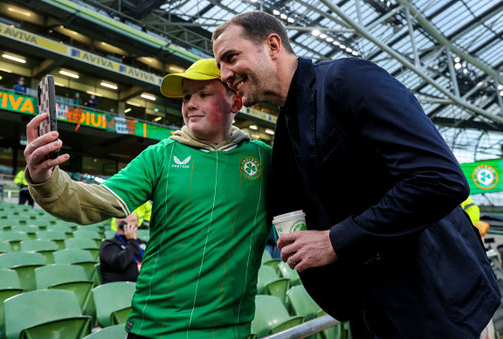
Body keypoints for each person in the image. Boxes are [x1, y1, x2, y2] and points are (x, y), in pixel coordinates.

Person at [212, 11, 501, 338]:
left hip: (432, 303)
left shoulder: (347, 80)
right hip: (373, 310)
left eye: (231, 57)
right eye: (220, 65)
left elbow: (438, 179)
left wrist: (335, 240)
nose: (224, 73)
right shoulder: (286, 127)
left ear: (273, 45)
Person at [23, 58, 271, 338]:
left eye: (204, 94)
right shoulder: (161, 155)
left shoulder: (263, 159)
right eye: (186, 96)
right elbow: (94, 201)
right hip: (155, 327)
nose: (190, 104)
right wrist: (45, 177)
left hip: (229, 330)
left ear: (235, 103)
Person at [100, 212, 145, 284]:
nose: (137, 224)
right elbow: (121, 263)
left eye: (137, 220)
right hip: (120, 289)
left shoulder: (140, 243)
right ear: (121, 224)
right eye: (133, 221)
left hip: (144, 285)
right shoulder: (108, 245)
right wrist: (131, 241)